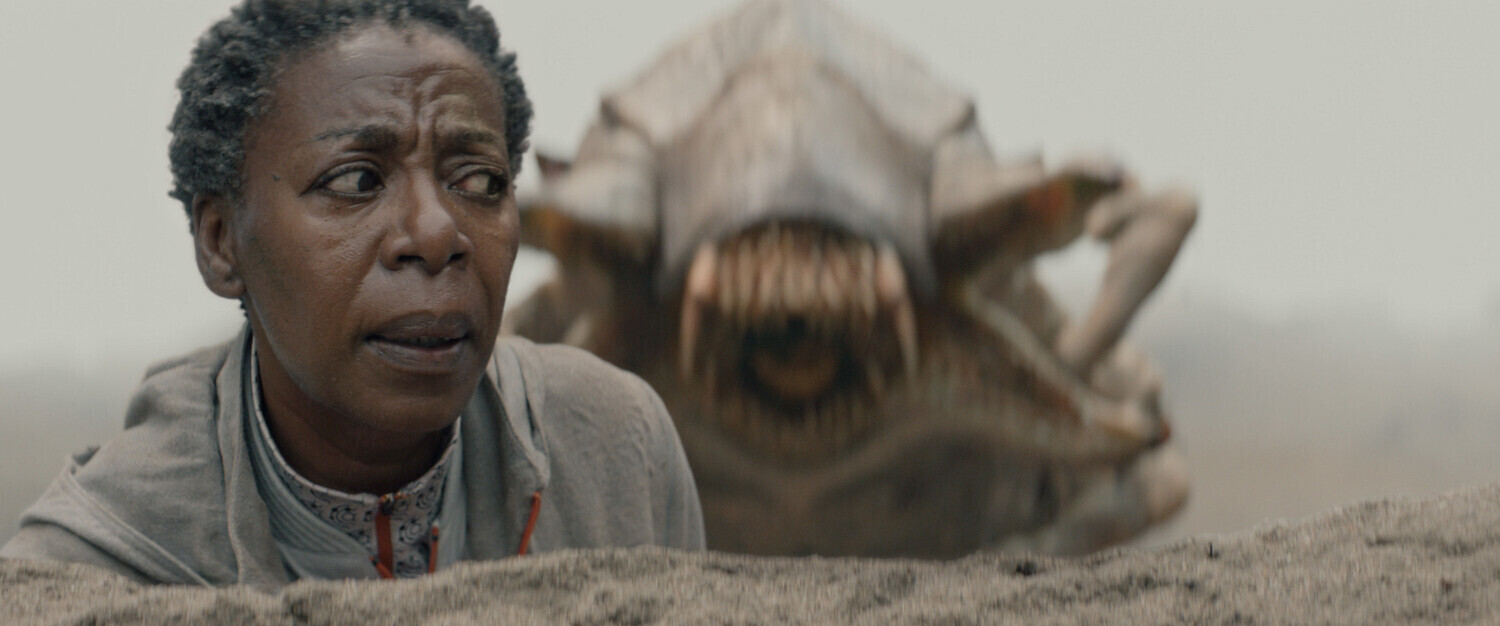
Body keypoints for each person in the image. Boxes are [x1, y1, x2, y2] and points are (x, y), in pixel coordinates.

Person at [0, 0, 704, 589]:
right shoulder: (98, 569)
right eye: (356, 181)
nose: (438, 233)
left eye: (480, 181)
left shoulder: (615, 455)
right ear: (221, 243)